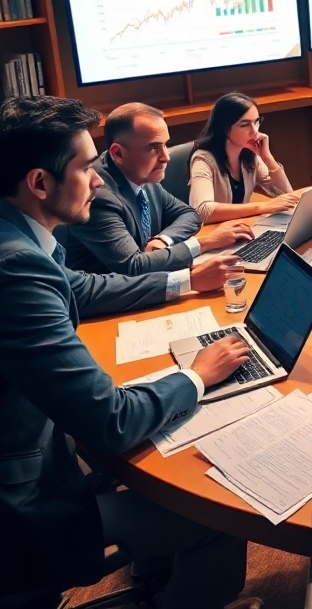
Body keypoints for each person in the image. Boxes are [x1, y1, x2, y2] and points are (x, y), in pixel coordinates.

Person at [0, 96, 255, 608]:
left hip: (41, 446)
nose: (97, 180)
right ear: (39, 183)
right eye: (85, 167)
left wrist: (184, 281)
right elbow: (111, 423)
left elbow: (85, 287)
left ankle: (154, 579)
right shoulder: (16, 270)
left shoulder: (19, 237)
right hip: (23, 503)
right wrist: (197, 375)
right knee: (220, 512)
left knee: (155, 459)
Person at [65, 102, 255, 275]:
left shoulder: (143, 176)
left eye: (165, 145)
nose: (166, 157)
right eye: (153, 148)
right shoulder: (97, 196)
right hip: (110, 299)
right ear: (118, 153)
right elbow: (134, 266)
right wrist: (205, 242)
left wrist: (163, 239)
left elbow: (189, 215)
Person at [188, 92, 298, 223]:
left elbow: (287, 197)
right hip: (214, 231)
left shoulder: (250, 154)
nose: (255, 131)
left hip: (240, 227)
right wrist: (262, 207)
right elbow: (202, 211)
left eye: (257, 122)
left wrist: (268, 158)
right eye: (244, 125)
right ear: (224, 128)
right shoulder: (203, 159)